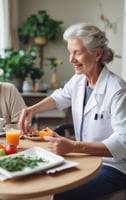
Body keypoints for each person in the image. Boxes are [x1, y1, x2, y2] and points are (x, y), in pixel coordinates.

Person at [18, 23, 126, 200]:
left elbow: (123, 143)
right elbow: (59, 97)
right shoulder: (78, 80)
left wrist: (73, 146)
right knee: (39, 178)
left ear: (97, 54)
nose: (71, 59)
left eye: (77, 52)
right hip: (86, 158)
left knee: (60, 193)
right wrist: (31, 109)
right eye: (70, 52)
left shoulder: (117, 90)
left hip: (114, 166)